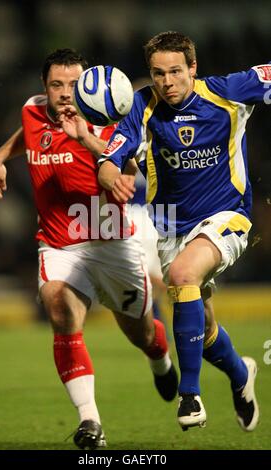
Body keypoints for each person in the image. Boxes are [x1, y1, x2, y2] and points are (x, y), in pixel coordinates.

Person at [0, 48, 179, 449]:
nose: (65, 93)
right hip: (59, 245)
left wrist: (87, 140)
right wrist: (0, 156)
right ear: (45, 87)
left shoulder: (108, 119)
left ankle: (160, 361)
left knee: (142, 334)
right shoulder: (33, 111)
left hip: (112, 244)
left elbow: (128, 170)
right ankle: (90, 422)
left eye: (73, 84)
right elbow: (30, 133)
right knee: (59, 307)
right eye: (56, 84)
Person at [98, 31, 263, 432]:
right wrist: (110, 175)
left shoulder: (228, 92)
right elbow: (109, 157)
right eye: (158, 73)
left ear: (193, 68)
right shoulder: (142, 105)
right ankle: (241, 374)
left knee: (182, 276)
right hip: (172, 227)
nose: (167, 81)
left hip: (228, 216)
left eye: (175, 71)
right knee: (202, 329)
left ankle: (190, 397)